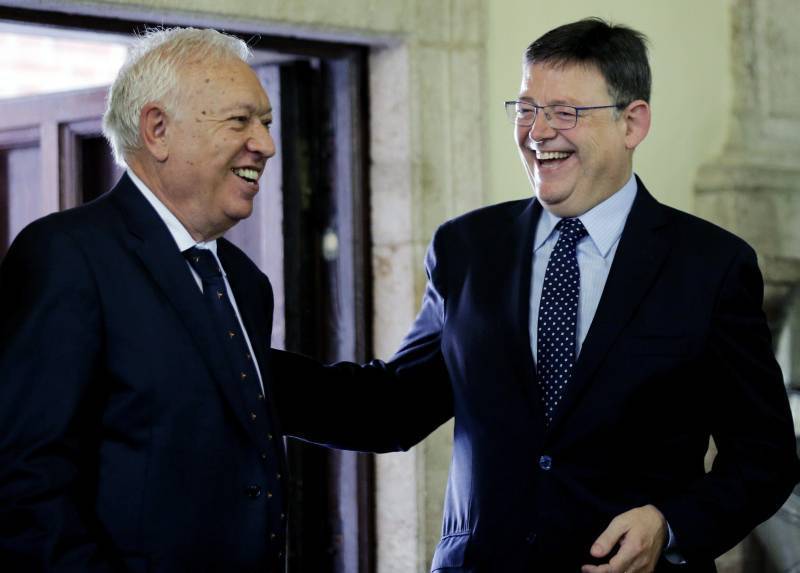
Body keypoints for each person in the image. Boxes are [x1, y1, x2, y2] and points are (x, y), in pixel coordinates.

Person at [273, 18, 800, 572]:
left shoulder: (712, 265)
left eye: (565, 111)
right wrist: (236, 369)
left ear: (633, 122)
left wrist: (671, 524)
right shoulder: (467, 248)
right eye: (526, 109)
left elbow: (764, 459)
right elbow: (392, 408)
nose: (538, 131)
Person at [0, 28, 288, 571]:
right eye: (240, 121)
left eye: (266, 124)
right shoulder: (65, 256)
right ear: (157, 130)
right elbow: (25, 489)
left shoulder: (245, 283)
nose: (266, 145)